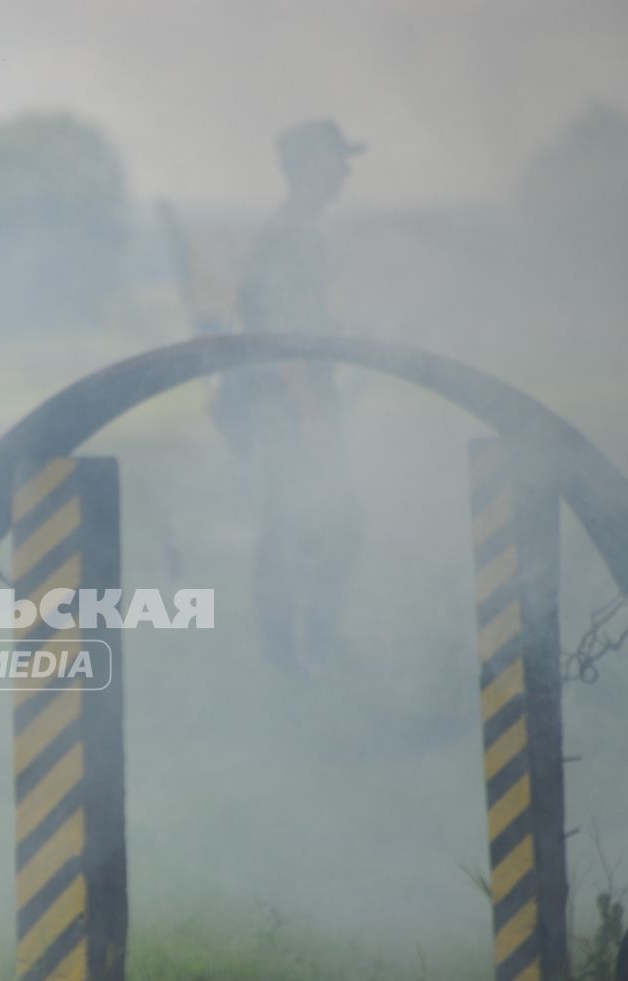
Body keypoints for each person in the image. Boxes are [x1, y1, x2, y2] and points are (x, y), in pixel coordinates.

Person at [217, 118, 366, 672]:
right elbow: (281, 338)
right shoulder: (288, 238)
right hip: (286, 409)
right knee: (306, 529)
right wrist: (309, 414)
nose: (346, 172)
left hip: (297, 405)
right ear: (307, 167)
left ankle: (305, 649)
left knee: (323, 527)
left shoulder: (300, 234)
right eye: (336, 159)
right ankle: (297, 655)